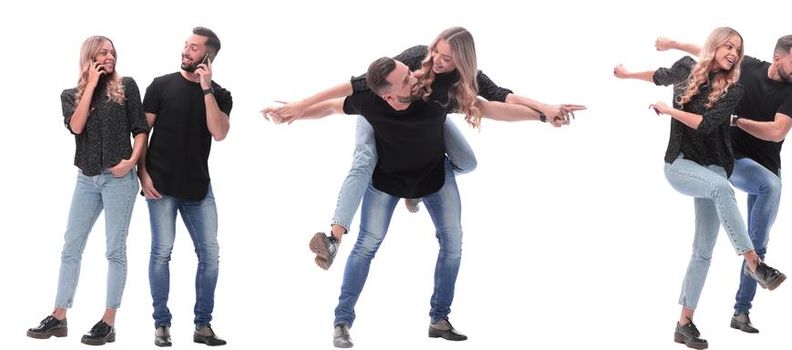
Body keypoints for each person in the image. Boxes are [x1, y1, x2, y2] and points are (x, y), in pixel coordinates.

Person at [260, 27, 584, 270]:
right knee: (363, 162)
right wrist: (300, 106)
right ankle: (333, 238)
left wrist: (545, 112)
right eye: (437, 52)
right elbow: (354, 86)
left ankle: (413, 188)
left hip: (427, 122)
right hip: (382, 115)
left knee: (467, 161)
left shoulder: (463, 81)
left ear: (463, 62)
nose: (438, 61)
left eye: (448, 58)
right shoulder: (415, 58)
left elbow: (501, 100)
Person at [276, 56, 541, 348]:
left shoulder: (435, 96)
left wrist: (542, 115)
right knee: (366, 245)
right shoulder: (368, 104)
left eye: (409, 72)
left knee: (453, 244)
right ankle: (342, 322)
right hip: (386, 182)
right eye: (405, 80)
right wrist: (295, 113)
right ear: (388, 95)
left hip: (434, 178)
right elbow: (330, 107)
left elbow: (490, 108)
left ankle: (439, 319)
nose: (414, 79)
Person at [613, 26, 788, 350]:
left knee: (703, 250)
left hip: (714, 167)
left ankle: (684, 324)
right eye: (729, 46)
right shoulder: (685, 68)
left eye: (738, 48)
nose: (734, 53)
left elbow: (707, 125)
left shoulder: (733, 91)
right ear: (715, 45)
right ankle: (755, 264)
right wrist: (626, 75)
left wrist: (669, 111)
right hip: (680, 163)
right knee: (723, 189)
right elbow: (659, 75)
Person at [655, 33, 792, 333]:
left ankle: (733, 312)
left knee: (749, 221)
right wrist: (674, 43)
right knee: (736, 190)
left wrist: (736, 121)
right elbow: (704, 50)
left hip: (757, 163)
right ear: (778, 57)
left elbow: (777, 132)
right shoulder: (745, 67)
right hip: (728, 159)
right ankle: (755, 261)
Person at [26, 35, 148, 346]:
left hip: (119, 179)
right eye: (103, 52)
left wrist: (131, 163)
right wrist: (91, 85)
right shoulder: (71, 94)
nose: (110, 56)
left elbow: (141, 129)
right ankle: (58, 316)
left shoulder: (127, 86)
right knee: (71, 246)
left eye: (112, 51)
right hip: (87, 179)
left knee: (114, 250)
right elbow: (77, 127)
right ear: (90, 57)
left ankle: (108, 322)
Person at [140, 26, 233, 347]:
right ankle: (161, 325)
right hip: (160, 185)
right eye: (186, 45)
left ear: (208, 55)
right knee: (161, 253)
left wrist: (206, 89)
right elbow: (141, 135)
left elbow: (219, 133)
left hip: (198, 188)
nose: (186, 51)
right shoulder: (161, 85)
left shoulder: (220, 94)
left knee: (210, 256)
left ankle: (202, 325)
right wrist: (143, 174)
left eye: (194, 48)